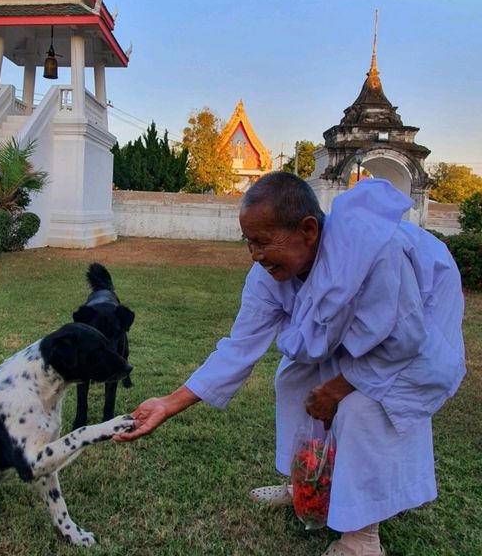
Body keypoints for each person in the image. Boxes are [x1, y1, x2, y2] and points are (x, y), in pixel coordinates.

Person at [115, 172, 465, 556]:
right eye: (249, 242)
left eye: (262, 242)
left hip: (418, 325)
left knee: (363, 409)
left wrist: (336, 389)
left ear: (309, 230)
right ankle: (309, 483)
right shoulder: (266, 276)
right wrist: (168, 402)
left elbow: (403, 342)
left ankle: (363, 538)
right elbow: (239, 347)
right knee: (294, 379)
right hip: (384, 333)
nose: (255, 254)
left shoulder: (375, 255)